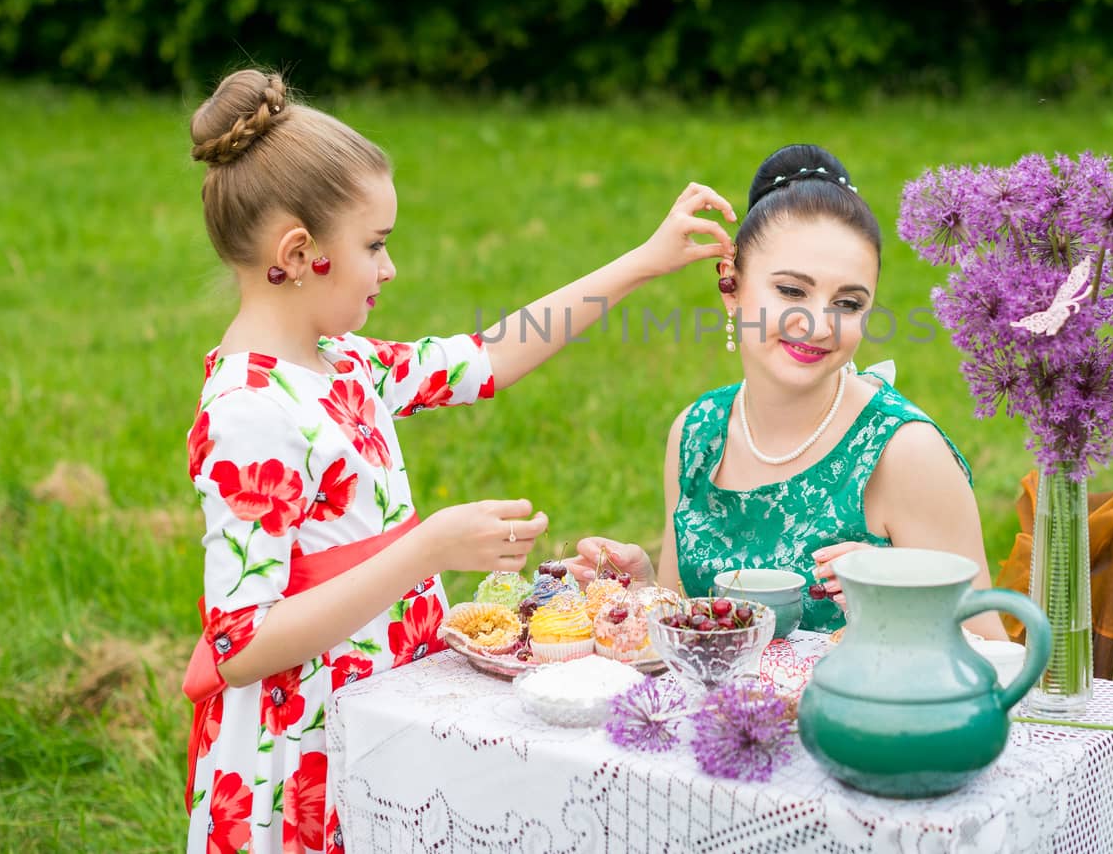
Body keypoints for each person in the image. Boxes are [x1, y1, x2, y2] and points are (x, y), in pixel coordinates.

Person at [180, 69, 735, 854]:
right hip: (301, 749)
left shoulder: (342, 365)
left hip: (371, 710)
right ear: (299, 254)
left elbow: (491, 357)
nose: (389, 268)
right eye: (374, 246)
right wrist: (427, 550)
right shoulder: (249, 414)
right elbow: (242, 645)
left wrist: (642, 261)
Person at [571, 145, 1007, 639]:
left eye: (847, 302)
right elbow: (689, 624)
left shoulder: (903, 453)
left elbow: (994, 661)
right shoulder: (697, 432)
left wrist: (905, 598)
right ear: (731, 288)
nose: (819, 325)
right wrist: (648, 594)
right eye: (792, 291)